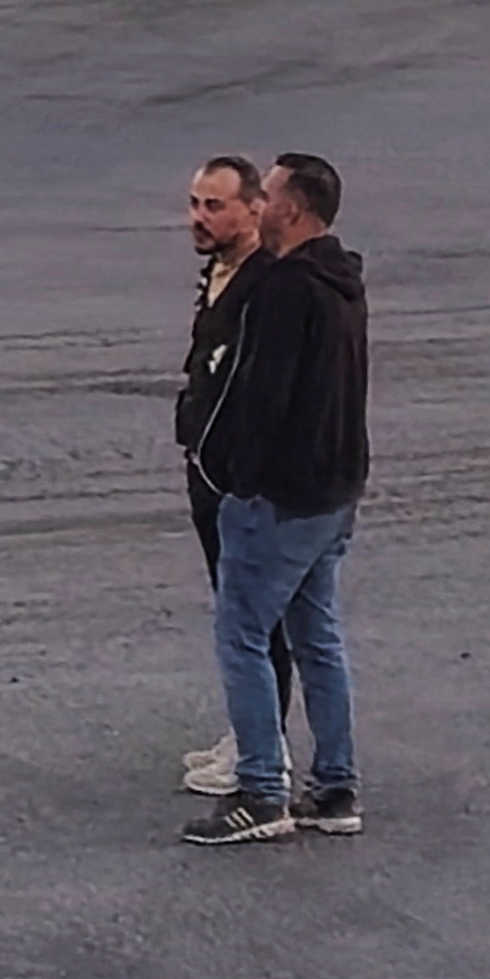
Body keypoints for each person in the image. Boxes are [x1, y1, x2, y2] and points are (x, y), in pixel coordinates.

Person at [180, 152, 371, 848]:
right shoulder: (342, 280)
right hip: (334, 492)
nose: (261, 205)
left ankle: (262, 791)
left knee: (242, 636)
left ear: (289, 208)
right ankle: (335, 788)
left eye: (271, 193)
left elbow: (257, 400)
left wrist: (228, 470)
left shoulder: (286, 290)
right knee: (317, 637)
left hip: (279, 500)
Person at [170, 155, 278, 800]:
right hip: (207, 468)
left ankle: (260, 750)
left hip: (241, 478)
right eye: (194, 204)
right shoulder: (218, 271)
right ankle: (249, 732)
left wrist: (245, 470)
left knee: (259, 618)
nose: (199, 218)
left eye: (214, 206)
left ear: (255, 208)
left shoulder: (266, 283)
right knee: (233, 603)